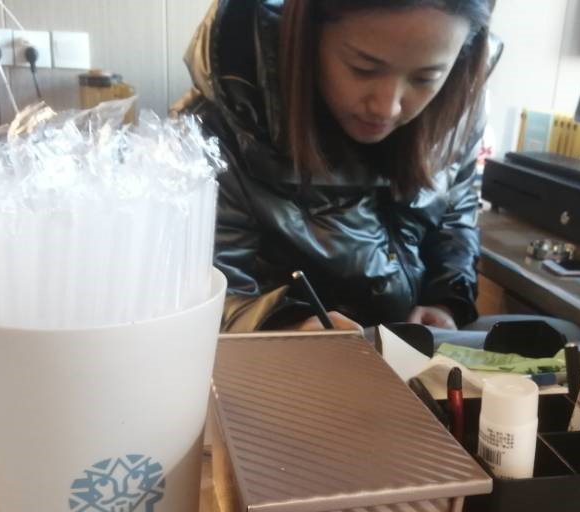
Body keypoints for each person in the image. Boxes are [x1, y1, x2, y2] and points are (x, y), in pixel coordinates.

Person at [176, 0, 500, 333]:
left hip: (413, 346)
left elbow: (454, 215)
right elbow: (206, 294)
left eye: (425, 78)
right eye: (364, 69)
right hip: (290, 357)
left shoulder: (457, 106)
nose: (387, 108)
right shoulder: (215, 131)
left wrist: (445, 300)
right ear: (308, 35)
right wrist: (285, 327)